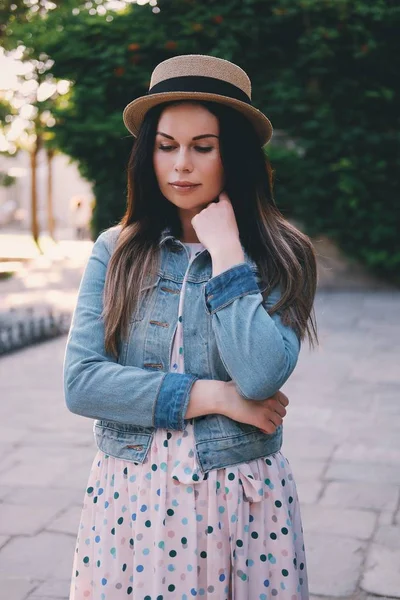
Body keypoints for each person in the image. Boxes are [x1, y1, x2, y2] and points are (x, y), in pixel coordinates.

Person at [64, 54, 318, 600]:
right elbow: (82, 382)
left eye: (203, 147)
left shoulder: (282, 255)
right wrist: (213, 396)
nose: (181, 164)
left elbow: (260, 375)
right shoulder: (116, 251)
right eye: (166, 146)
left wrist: (228, 252)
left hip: (243, 503)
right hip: (131, 500)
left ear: (237, 156)